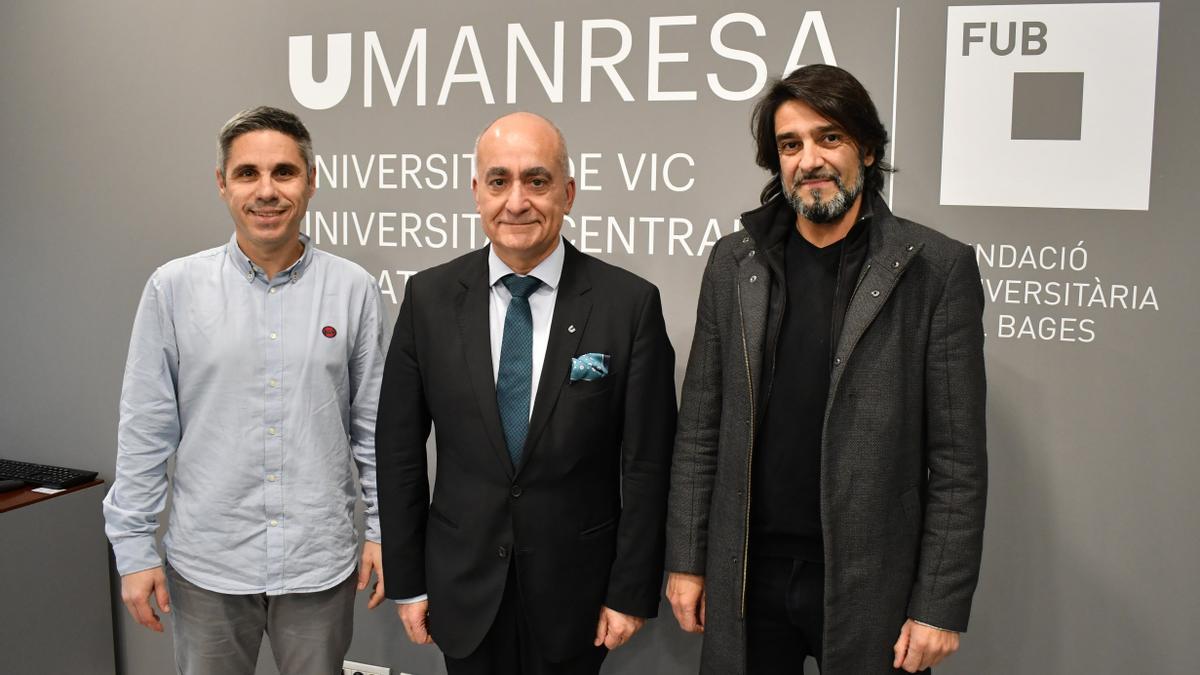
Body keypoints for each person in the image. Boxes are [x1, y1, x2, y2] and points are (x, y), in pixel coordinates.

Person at [665, 64, 987, 674]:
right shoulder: (735, 263)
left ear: (866, 148)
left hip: (873, 584)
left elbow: (957, 461)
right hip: (746, 576)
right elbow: (701, 426)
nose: (809, 159)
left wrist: (940, 603)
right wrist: (687, 557)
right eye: (791, 145)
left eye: (828, 137)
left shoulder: (935, 271)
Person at [375, 111, 676, 675]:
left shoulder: (628, 305)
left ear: (568, 193)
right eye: (499, 181)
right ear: (476, 193)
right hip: (461, 588)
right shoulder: (428, 298)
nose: (517, 201)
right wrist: (408, 581)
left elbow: (648, 465)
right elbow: (398, 454)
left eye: (536, 181)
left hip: (578, 595)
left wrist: (630, 589)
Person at [102, 106, 388, 675]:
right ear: (222, 184)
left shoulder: (353, 289)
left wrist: (384, 531)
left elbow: (374, 427)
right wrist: (133, 549)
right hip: (208, 565)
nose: (267, 191)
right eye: (247, 173)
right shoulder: (174, 288)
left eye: (284, 172)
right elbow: (145, 427)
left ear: (310, 181)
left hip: (317, 564)